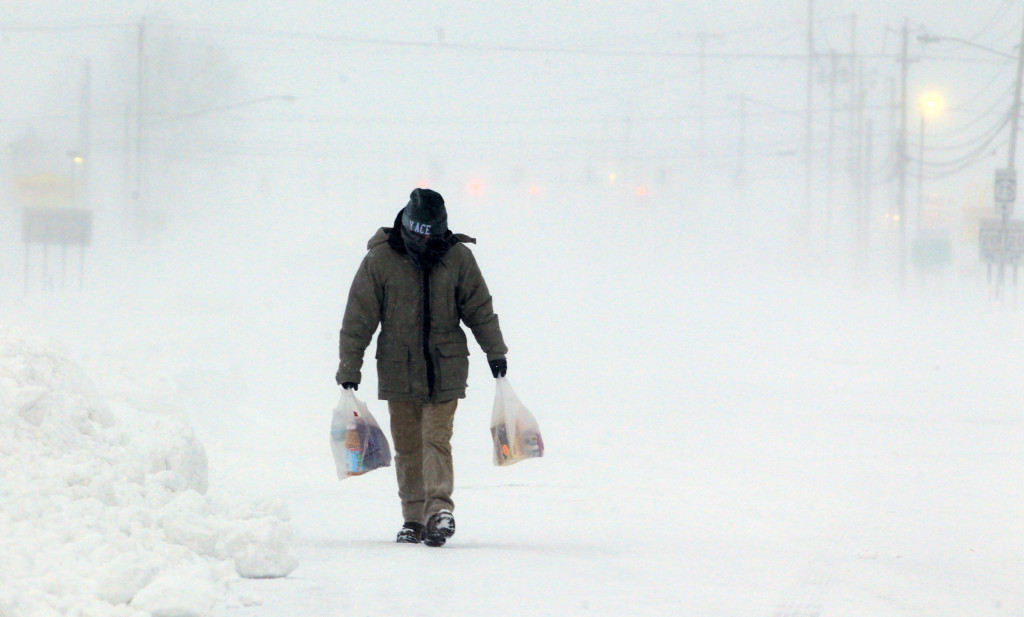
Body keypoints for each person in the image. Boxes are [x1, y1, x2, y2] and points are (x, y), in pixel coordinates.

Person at [336, 187, 508, 547]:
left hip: (446, 367)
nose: (428, 241)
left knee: (436, 438)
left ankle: (439, 512)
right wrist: (350, 367)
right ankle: (413, 518)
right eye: (422, 234)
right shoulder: (381, 260)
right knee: (409, 445)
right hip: (398, 368)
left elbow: (479, 308)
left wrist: (495, 351)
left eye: (435, 234)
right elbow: (358, 318)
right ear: (410, 227)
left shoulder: (458, 258)